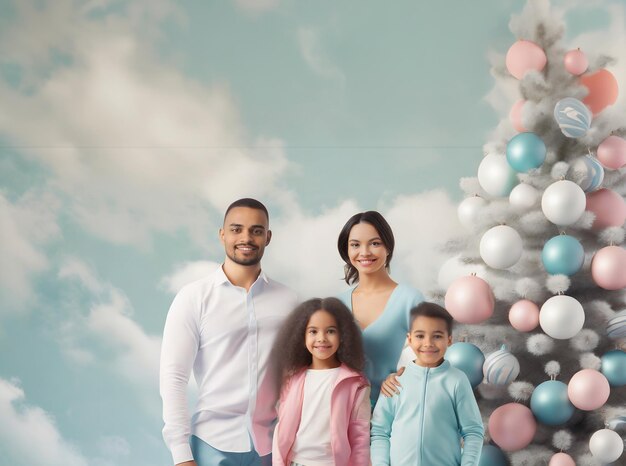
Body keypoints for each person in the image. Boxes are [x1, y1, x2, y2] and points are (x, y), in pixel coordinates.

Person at [160, 198, 298, 466]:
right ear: (222, 234)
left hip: (272, 448)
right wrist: (180, 455)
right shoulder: (193, 297)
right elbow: (174, 378)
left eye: (256, 230)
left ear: (268, 237)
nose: (246, 237)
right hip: (211, 445)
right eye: (236, 229)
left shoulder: (290, 301)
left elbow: (302, 373)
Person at [370, 302, 484, 466]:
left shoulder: (457, 381)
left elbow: (473, 431)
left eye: (437, 336)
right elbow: (380, 431)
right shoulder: (396, 382)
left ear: (449, 340)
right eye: (420, 336)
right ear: (409, 339)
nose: (428, 343)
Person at [336, 211, 423, 404]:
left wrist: (404, 375)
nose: (365, 252)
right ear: (347, 250)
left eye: (375, 243)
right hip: (345, 418)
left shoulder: (410, 299)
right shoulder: (336, 305)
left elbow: (428, 358)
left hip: (394, 414)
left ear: (388, 247)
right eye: (355, 245)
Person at [271, 297, 371, 466]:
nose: (322, 338)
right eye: (313, 331)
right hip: (296, 462)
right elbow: (281, 429)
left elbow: (360, 437)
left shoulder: (356, 384)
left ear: (343, 335)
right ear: (302, 337)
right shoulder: (292, 379)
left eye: (330, 331)